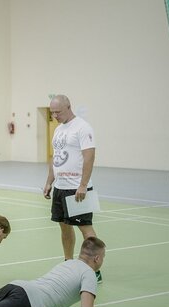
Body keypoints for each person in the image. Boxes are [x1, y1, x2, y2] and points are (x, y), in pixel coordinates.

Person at [43, 94, 102, 283]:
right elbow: (56, 158)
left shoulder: (83, 128)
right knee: (65, 227)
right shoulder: (58, 130)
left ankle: (94, 269)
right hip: (60, 188)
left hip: (77, 188)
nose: (55, 116)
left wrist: (83, 185)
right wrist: (49, 182)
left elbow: (89, 157)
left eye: (57, 112)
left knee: (86, 229)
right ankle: (68, 262)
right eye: (52, 113)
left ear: (69, 107)